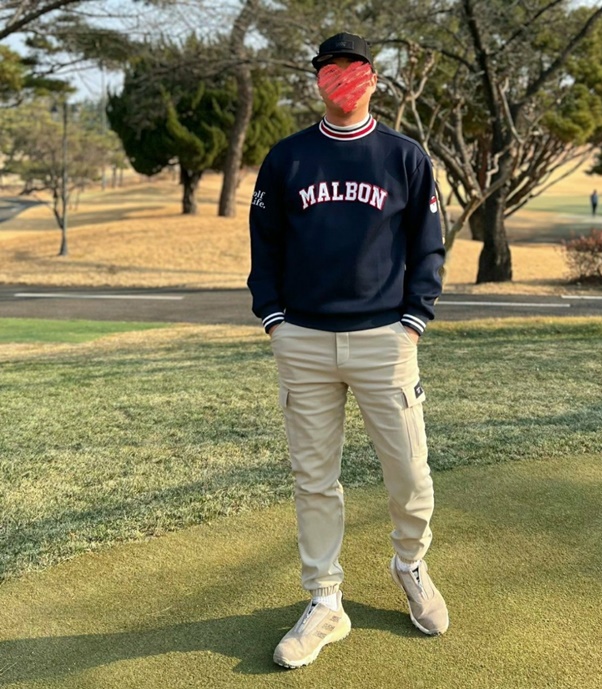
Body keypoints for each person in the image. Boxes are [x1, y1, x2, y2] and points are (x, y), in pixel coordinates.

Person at [247, 32, 449, 669]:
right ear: (318, 81)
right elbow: (264, 243)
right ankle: (325, 600)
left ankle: (410, 565)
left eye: (352, 69)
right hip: (303, 341)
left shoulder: (404, 157)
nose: (341, 79)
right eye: (329, 70)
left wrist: (413, 320)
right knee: (314, 480)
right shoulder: (287, 158)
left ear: (372, 79)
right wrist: (275, 319)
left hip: (385, 340)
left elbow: (429, 245)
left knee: (409, 472)